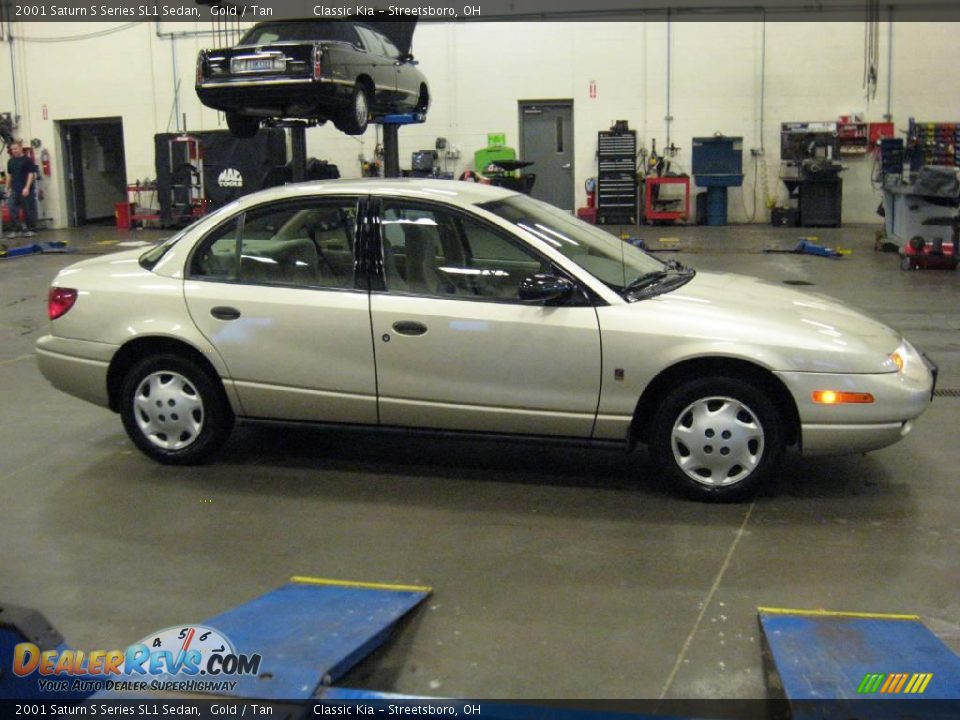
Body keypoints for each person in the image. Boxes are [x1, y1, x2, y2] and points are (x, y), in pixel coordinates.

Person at [5, 141, 39, 239]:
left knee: (28, 209)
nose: (14, 151)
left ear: (20, 148)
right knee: (12, 208)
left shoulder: (27, 160)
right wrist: (7, 189)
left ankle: (31, 229)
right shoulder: (10, 161)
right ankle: (16, 229)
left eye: (16, 149)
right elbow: (9, 175)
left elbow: (31, 174)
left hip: (25, 189)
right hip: (14, 189)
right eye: (12, 149)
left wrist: (27, 187)